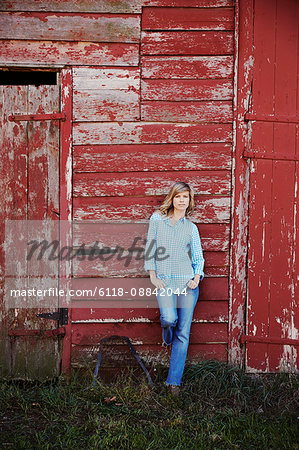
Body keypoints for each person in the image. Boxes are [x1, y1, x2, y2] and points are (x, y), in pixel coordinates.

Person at [144, 181, 205, 396]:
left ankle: (174, 382)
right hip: (165, 283)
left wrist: (197, 277)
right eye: (179, 196)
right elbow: (150, 247)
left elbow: (197, 255)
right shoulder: (157, 220)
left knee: (183, 334)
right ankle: (166, 329)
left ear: (189, 202)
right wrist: (152, 275)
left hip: (187, 285)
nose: (182, 200)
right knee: (169, 319)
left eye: (186, 197)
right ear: (172, 198)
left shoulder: (191, 228)